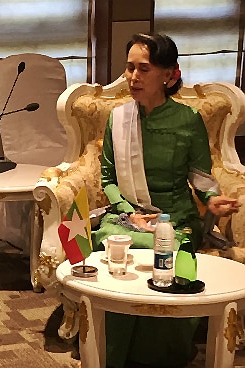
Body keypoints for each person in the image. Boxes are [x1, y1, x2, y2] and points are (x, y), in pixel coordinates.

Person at [93, 34, 240, 367]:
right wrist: (131, 213)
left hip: (175, 216)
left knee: (167, 243)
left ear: (168, 74)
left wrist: (212, 200)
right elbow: (108, 180)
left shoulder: (188, 120)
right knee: (115, 239)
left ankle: (161, 355)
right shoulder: (118, 120)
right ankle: (113, 352)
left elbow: (201, 177)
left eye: (143, 69)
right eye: (129, 68)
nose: (132, 77)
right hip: (125, 214)